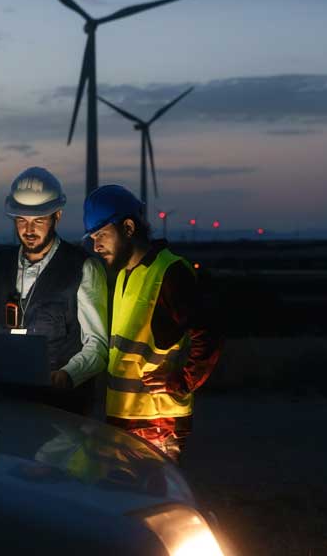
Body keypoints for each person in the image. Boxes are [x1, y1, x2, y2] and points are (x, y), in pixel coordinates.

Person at [83, 185, 222, 462]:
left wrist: (182, 381)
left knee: (154, 503)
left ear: (129, 228)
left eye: (101, 235)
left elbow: (209, 333)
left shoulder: (170, 272)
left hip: (156, 423)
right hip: (126, 418)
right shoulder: (125, 274)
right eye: (93, 238)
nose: (95, 246)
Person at [0, 167, 108, 415]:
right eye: (21, 220)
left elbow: (97, 345)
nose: (29, 230)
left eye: (38, 220)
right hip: (6, 404)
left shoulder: (82, 267)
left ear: (57, 215)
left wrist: (68, 376)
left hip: (63, 410)